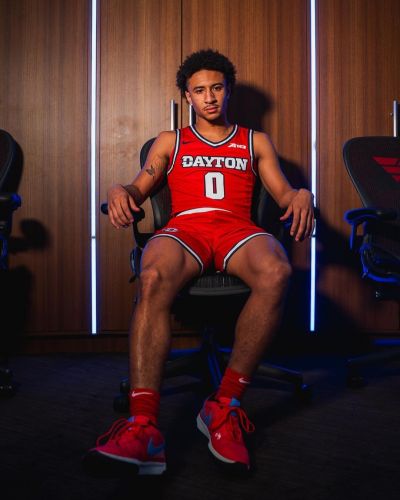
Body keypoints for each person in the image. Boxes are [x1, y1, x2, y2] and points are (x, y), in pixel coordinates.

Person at [84, 49, 314, 476]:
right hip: (185, 230)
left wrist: (302, 195)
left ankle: (223, 406)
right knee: (152, 275)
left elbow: (285, 194)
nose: (209, 97)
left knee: (277, 270)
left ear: (229, 91)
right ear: (187, 97)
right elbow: (136, 189)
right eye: (200, 90)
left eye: (217, 88)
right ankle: (144, 428)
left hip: (237, 230)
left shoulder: (255, 140)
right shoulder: (170, 141)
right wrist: (118, 190)